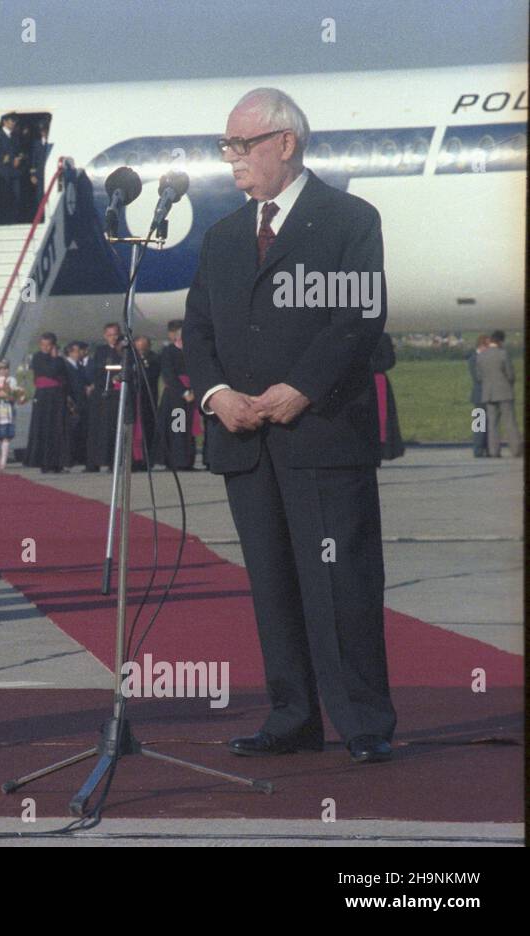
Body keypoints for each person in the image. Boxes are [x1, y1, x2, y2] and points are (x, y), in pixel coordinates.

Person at [183, 87, 395, 764]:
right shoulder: (222, 237)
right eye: (226, 146)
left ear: (286, 143)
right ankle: (293, 716)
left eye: (242, 145)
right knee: (272, 582)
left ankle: (363, 722)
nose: (232, 158)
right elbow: (197, 330)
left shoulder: (347, 220)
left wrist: (301, 389)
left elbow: (357, 317)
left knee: (341, 580)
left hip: (321, 434)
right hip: (245, 439)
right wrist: (216, 393)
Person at [154, 320, 200, 470]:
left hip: (192, 393)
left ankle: (187, 460)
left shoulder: (191, 350)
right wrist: (184, 392)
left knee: (189, 429)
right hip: (176, 396)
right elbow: (169, 375)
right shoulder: (168, 351)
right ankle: (177, 460)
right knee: (177, 428)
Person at [22, 332, 69, 473]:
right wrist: (54, 360)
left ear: (53, 346)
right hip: (43, 397)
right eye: (43, 345)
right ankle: (43, 462)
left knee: (56, 429)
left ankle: (56, 462)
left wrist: (55, 358)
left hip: (56, 397)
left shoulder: (60, 360)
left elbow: (63, 377)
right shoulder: (37, 358)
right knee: (43, 429)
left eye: (48, 345)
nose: (45, 348)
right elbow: (51, 371)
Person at [477, 330, 522, 458]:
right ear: (501, 341)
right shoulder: (503, 354)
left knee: (492, 424)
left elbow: (479, 376)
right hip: (504, 392)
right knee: (509, 422)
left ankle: (494, 451)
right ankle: (516, 449)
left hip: (488, 393)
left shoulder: (481, 356)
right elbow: (510, 374)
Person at [83, 323, 122, 471]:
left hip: (116, 395)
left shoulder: (123, 351)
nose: (114, 338)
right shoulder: (100, 351)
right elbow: (97, 370)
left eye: (116, 334)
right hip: (102, 395)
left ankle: (113, 462)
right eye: (110, 335)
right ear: (105, 336)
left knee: (113, 429)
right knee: (97, 430)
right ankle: (94, 462)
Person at [370, 333, 405, 460]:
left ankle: (383, 450)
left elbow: (389, 361)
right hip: (359, 381)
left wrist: (369, 368)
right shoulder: (355, 334)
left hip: (377, 380)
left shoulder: (382, 337)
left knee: (382, 417)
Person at [130, 335, 159, 470]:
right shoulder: (130, 358)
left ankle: (147, 460)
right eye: (139, 348)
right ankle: (134, 460)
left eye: (144, 348)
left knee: (147, 430)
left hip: (148, 400)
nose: (142, 351)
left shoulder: (153, 358)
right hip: (133, 399)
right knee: (133, 430)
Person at [63, 340, 89, 465]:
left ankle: (80, 456)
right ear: (70, 352)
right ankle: (70, 457)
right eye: (77, 351)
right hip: (72, 402)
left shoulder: (79, 366)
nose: (80, 353)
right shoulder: (65, 366)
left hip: (82, 401)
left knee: (80, 430)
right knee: (71, 431)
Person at [0, 114, 22, 225]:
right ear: (4, 122)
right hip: (4, 172)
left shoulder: (15, 136)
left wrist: (19, 158)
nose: (14, 123)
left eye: (15, 121)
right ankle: (5, 221)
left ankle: (14, 220)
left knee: (17, 197)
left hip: (15, 171)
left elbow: (20, 151)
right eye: (12, 120)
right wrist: (11, 159)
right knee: (6, 197)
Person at [468, 334, 490, 457]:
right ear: (482, 346)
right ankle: (478, 449)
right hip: (479, 395)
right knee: (479, 424)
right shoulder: (474, 359)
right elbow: (477, 377)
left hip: (487, 394)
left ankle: (486, 448)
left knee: (488, 424)